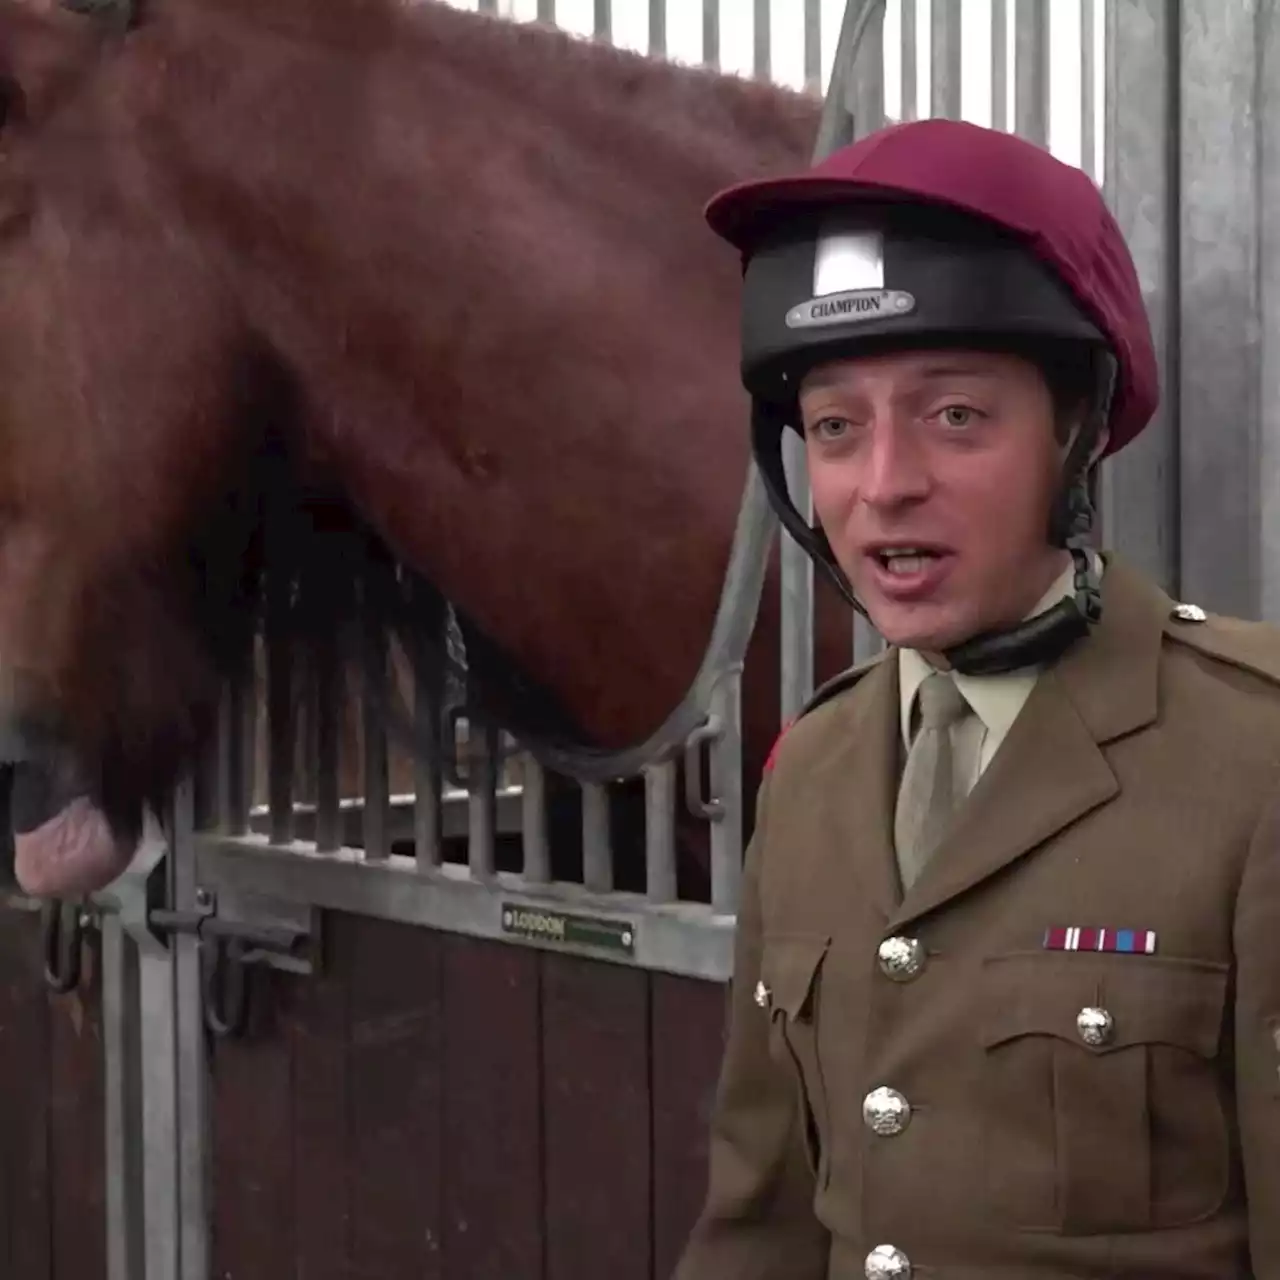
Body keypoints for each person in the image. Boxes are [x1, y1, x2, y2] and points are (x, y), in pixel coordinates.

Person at [672, 116, 1280, 1280]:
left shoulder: (1252, 760)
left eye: (954, 416)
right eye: (835, 427)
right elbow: (757, 1218)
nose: (884, 485)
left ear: (1073, 434)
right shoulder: (811, 770)